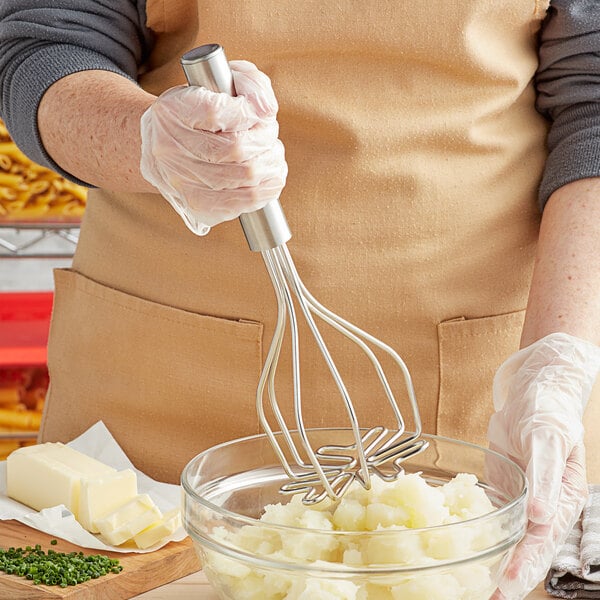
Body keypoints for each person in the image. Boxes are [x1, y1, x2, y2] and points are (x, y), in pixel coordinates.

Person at [1, 1, 599, 597]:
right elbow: (46, 47)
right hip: (157, 408)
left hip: (485, 405)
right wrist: (151, 142)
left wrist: (558, 363)